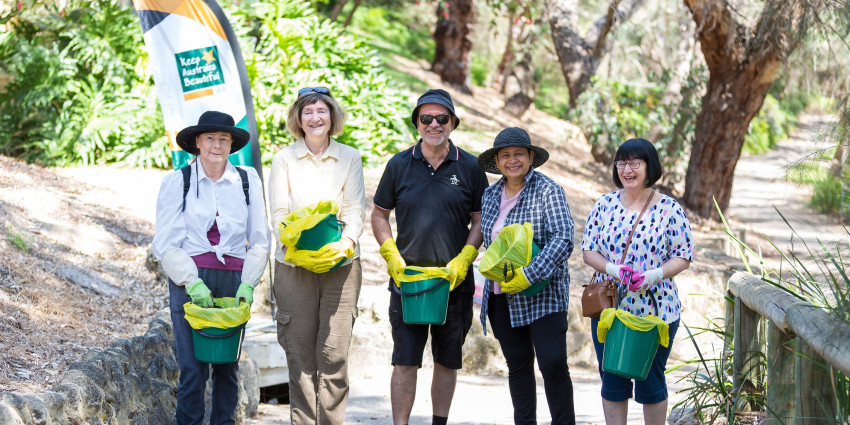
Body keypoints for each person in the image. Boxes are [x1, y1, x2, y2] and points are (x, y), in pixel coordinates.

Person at [371, 88, 489, 425]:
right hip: (408, 284)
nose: (434, 124)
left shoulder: (470, 167)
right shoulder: (398, 164)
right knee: (405, 360)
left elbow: (480, 219)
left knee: (447, 361)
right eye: (426, 118)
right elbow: (379, 214)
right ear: (417, 123)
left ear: (453, 122)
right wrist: (391, 255)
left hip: (454, 286)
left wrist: (466, 256)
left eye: (441, 118)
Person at [152, 110, 271, 425]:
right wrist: (192, 283)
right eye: (210, 138)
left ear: (232, 144)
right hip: (190, 279)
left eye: (224, 139)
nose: (217, 145)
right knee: (192, 369)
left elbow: (260, 239)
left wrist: (248, 283)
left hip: (234, 280)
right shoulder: (178, 181)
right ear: (197, 142)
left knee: (227, 368)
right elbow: (165, 243)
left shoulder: (247, 180)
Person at [268, 87, 366, 425]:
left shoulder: (350, 157)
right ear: (298, 118)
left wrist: (348, 242)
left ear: (332, 116)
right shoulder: (283, 159)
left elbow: (354, 207)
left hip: (340, 265)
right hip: (294, 266)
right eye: (308, 111)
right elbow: (279, 212)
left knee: (334, 355)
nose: (315, 117)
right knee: (300, 355)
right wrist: (293, 244)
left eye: (321, 110)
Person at [580, 138, 694, 425]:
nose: (626, 170)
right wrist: (614, 270)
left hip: (658, 311)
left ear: (649, 166)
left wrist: (653, 275)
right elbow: (588, 250)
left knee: (650, 382)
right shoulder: (604, 204)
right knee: (612, 379)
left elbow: (684, 256)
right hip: (611, 310)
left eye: (634, 163)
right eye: (621, 163)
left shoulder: (669, 208)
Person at [477, 127, 576, 425]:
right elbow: (491, 244)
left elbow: (564, 237)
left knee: (552, 363)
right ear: (497, 160)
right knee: (518, 366)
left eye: (519, 153)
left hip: (543, 294)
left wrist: (530, 274)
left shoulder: (549, 190)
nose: (512, 160)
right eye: (505, 155)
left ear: (531, 156)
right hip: (501, 295)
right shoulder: (491, 194)